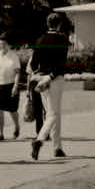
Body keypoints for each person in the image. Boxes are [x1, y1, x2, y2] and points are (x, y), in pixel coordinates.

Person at [28, 13, 70, 160]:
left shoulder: (40, 39)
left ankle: (57, 147)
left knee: (53, 112)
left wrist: (39, 74)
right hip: (55, 78)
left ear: (48, 24)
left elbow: (33, 64)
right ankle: (39, 140)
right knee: (53, 114)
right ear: (59, 24)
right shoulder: (62, 39)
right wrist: (50, 76)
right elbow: (61, 64)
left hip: (41, 78)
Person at [0, 34, 22, 142]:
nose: (1, 46)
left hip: (11, 85)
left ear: (8, 45)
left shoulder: (14, 56)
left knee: (12, 110)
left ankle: (17, 126)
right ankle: (0, 133)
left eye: (3, 44)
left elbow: (17, 73)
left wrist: (15, 86)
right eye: (0, 44)